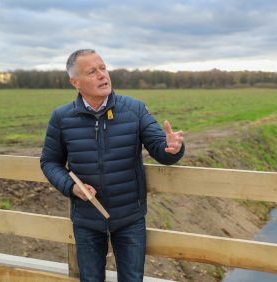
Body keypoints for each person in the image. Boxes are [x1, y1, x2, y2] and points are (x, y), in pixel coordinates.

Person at [40, 49, 184, 282]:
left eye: (103, 68)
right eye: (92, 71)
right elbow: (49, 161)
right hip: (86, 219)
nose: (102, 75)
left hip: (129, 218)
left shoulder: (134, 109)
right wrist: (71, 186)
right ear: (75, 82)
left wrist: (173, 148)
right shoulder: (62, 118)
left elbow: (162, 151)